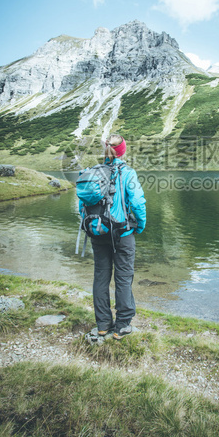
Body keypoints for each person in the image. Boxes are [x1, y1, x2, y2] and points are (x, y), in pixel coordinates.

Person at [81, 134, 146, 340]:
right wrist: (141, 225)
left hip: (98, 231)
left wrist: (93, 225)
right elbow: (137, 202)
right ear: (122, 151)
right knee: (123, 276)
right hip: (122, 233)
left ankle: (102, 325)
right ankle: (122, 325)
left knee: (101, 275)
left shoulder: (92, 172)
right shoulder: (128, 172)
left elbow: (82, 206)